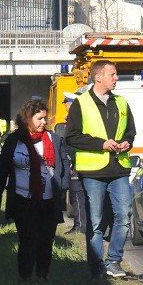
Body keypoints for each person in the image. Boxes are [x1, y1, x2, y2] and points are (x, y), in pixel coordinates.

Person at [65, 60, 136, 279]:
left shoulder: (122, 102)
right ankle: (96, 266)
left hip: (119, 169)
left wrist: (126, 143)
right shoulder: (81, 103)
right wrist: (101, 144)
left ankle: (114, 261)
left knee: (124, 216)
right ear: (98, 77)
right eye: (112, 74)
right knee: (94, 222)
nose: (116, 78)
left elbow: (131, 132)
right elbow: (72, 137)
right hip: (93, 171)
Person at [0, 99, 69, 281]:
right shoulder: (13, 141)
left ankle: (42, 277)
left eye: (45, 118)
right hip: (23, 200)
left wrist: (62, 188)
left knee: (45, 241)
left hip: (48, 200)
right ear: (27, 118)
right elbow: (2, 170)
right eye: (39, 118)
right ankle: (25, 278)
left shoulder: (53, 139)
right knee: (27, 241)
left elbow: (63, 164)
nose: (44, 122)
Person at [55, 92, 86, 235]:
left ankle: (81, 226)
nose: (66, 106)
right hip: (77, 161)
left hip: (78, 162)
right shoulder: (74, 119)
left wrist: (72, 161)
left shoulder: (77, 120)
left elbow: (75, 142)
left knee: (77, 194)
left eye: (67, 103)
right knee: (76, 195)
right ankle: (80, 224)